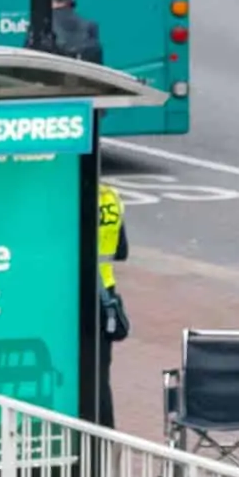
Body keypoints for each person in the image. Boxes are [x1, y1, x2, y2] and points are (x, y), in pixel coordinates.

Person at [92, 173, 131, 428]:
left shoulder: (72, 199)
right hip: (106, 295)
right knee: (101, 373)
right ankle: (107, 433)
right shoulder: (112, 198)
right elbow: (121, 251)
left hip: (79, 294)